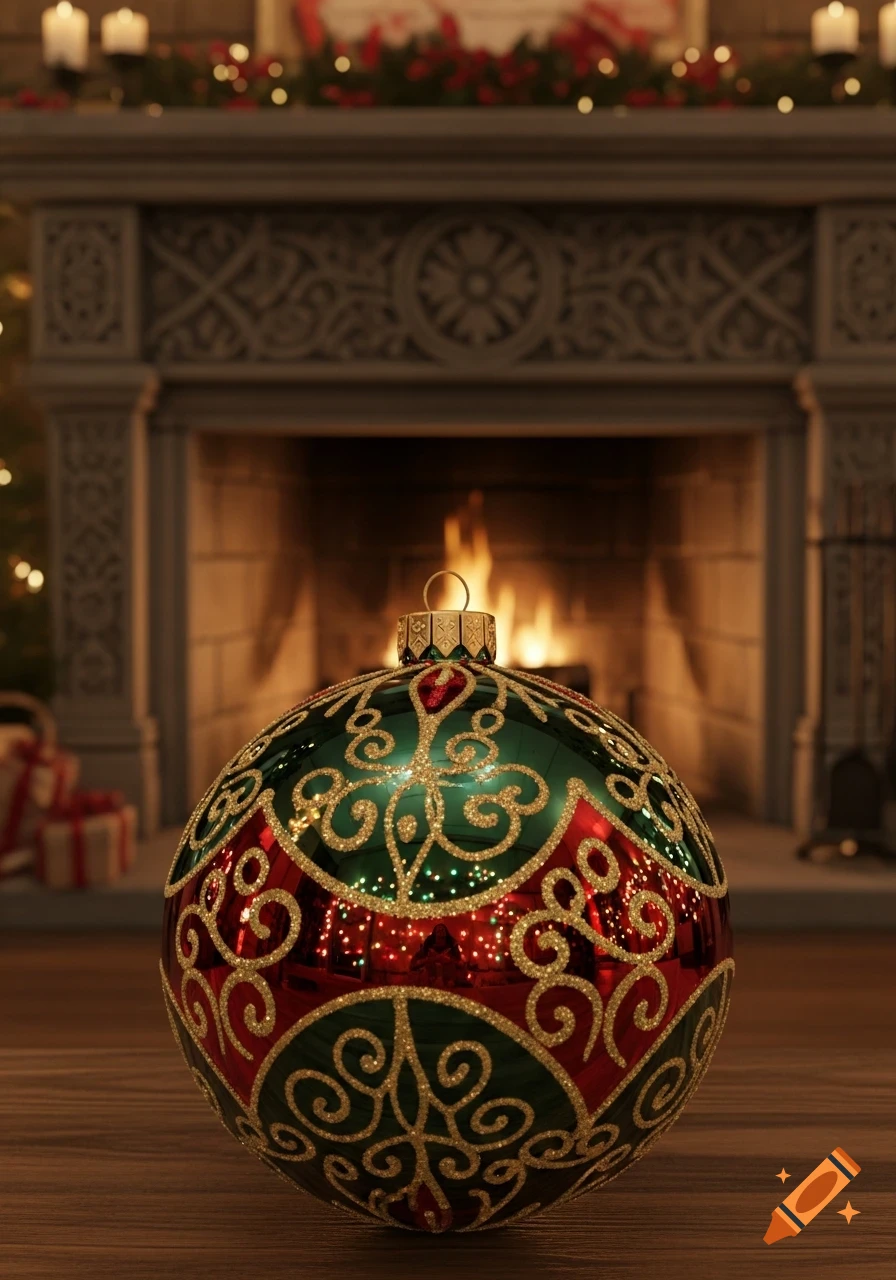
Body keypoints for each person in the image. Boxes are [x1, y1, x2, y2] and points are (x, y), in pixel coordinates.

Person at [410, 922, 463, 988]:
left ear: (446, 933)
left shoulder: (452, 946)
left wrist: (449, 960)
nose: (440, 931)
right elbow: (415, 962)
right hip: (431, 975)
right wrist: (429, 959)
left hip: (448, 976)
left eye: (442, 930)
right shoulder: (428, 947)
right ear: (435, 934)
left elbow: (459, 962)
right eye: (438, 930)